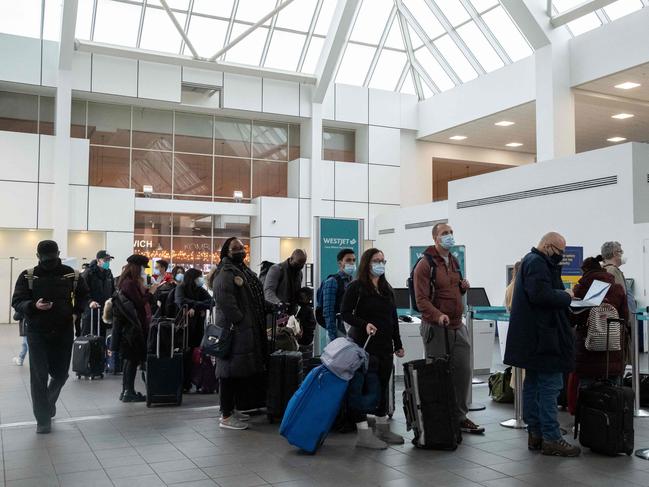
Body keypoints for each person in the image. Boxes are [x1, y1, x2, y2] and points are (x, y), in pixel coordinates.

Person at [505, 232, 580, 457]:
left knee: (534, 386)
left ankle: (536, 433)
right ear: (548, 246)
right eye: (559, 252)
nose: (561, 256)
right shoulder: (537, 263)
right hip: (544, 338)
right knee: (550, 387)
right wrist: (566, 295)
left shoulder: (531, 261)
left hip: (533, 337)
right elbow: (540, 295)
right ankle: (551, 437)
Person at [11, 240, 89, 433]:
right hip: (37, 332)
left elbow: (84, 296)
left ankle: (47, 404)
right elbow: (17, 301)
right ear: (39, 257)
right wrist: (33, 306)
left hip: (63, 331)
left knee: (61, 373)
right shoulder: (28, 275)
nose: (49, 261)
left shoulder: (72, 275)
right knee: (39, 375)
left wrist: (76, 313)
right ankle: (43, 420)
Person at [413, 223, 484, 435]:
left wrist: (462, 287)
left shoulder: (453, 261)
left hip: (457, 325)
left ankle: (460, 417)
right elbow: (421, 300)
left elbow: (450, 289)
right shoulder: (424, 265)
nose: (449, 236)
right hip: (436, 327)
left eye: (451, 233)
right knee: (438, 374)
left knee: (462, 372)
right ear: (435, 237)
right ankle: (439, 420)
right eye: (445, 233)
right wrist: (438, 315)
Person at [341, 248, 405, 450]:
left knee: (384, 386)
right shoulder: (356, 287)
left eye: (383, 261)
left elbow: (392, 319)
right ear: (367, 263)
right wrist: (364, 324)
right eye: (376, 260)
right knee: (362, 389)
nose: (380, 264)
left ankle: (382, 427)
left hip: (385, 347)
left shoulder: (386, 289)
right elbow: (345, 313)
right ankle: (363, 433)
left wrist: (398, 343)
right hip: (364, 347)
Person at [213, 238, 268, 430]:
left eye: (242, 248)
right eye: (235, 248)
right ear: (226, 252)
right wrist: (241, 320)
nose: (240, 251)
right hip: (234, 332)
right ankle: (226, 415)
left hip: (244, 330)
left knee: (236, 372)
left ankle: (232, 409)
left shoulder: (242, 270)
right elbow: (225, 302)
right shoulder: (226, 273)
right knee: (228, 373)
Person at [567, 256, 628, 414]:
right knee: (614, 389)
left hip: (588, 349)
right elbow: (625, 318)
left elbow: (574, 318)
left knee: (587, 388)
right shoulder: (617, 288)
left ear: (584, 271)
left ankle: (588, 423)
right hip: (613, 349)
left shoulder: (580, 289)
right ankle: (613, 424)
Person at [111, 254, 158, 402]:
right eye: (143, 268)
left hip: (128, 327)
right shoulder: (129, 283)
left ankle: (127, 391)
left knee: (130, 360)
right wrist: (150, 293)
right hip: (131, 328)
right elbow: (139, 303)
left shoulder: (125, 281)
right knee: (131, 360)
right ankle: (128, 392)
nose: (144, 271)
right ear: (138, 267)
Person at [174, 268, 214, 391]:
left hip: (196, 328)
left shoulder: (199, 290)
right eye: (199, 277)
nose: (201, 279)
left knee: (192, 355)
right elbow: (181, 301)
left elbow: (211, 302)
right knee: (184, 355)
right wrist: (198, 305)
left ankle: (189, 382)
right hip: (184, 329)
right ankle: (183, 383)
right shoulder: (181, 288)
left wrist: (194, 307)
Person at [601, 241, 634, 363]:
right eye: (621, 251)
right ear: (615, 253)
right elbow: (622, 298)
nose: (622, 254)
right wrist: (629, 321)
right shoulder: (613, 271)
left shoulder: (606, 270)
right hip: (619, 324)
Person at [322, 248, 356, 342]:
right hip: (337, 330)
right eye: (348, 260)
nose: (352, 263)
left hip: (350, 330)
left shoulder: (353, 282)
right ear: (340, 263)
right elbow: (328, 311)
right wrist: (333, 336)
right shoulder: (332, 282)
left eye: (354, 260)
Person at [80, 250, 115, 337]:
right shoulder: (88, 273)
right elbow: (82, 291)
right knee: (88, 336)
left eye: (109, 260)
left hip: (104, 310)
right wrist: (90, 301)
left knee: (102, 336)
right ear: (98, 260)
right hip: (91, 310)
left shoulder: (109, 273)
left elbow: (112, 290)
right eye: (105, 260)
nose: (107, 262)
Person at [263, 249, 307, 313]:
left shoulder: (299, 273)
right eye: (297, 264)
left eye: (302, 265)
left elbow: (296, 293)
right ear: (291, 259)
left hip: (291, 313)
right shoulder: (277, 269)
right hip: (277, 313)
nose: (300, 267)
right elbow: (268, 291)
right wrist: (279, 303)